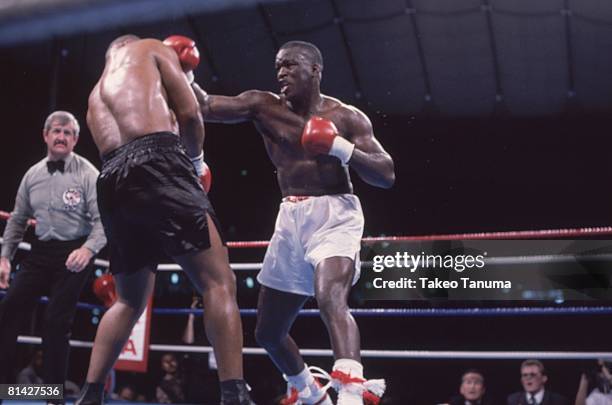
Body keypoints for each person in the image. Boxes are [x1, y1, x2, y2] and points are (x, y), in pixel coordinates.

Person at [191, 40, 395, 405]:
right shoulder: (262, 106)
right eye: (278, 67)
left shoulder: (347, 117)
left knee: (330, 297)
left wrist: (339, 148)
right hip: (290, 218)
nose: (281, 72)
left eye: (290, 65)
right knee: (268, 332)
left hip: (336, 215)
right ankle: (307, 390)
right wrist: (181, 71)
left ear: (316, 70)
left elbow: (386, 173)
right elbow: (205, 106)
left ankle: (350, 394)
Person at [76, 34, 253, 405]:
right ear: (131, 44)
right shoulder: (152, 48)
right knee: (219, 282)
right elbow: (190, 115)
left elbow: (123, 151)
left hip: (110, 181)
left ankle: (89, 395)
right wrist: (196, 164)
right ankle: (234, 395)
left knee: (127, 301)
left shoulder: (94, 97)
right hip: (159, 161)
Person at [0, 110, 106, 394]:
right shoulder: (32, 175)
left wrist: (87, 249)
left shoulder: (88, 174)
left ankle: (53, 396)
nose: (61, 137)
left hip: (75, 253)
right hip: (40, 251)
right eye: (56, 131)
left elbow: (102, 222)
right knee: (7, 309)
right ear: (46, 135)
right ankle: (3, 388)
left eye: (67, 132)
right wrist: (5, 257)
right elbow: (18, 219)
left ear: (75, 139)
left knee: (56, 322)